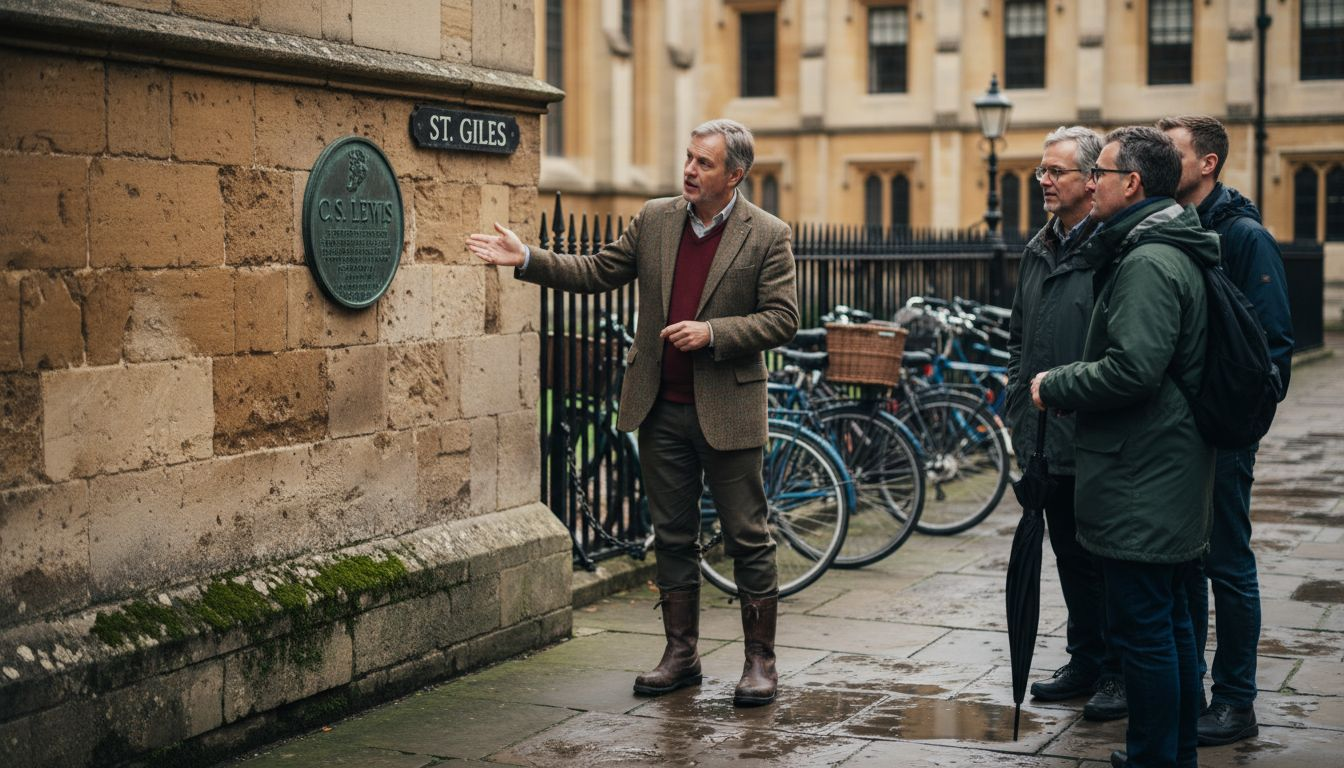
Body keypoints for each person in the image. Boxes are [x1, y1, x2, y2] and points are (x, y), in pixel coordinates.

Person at [467, 118, 798, 707]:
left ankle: (760, 662)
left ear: (735, 175)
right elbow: (598, 271)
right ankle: (681, 655)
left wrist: (713, 333)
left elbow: (782, 318)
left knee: (748, 538)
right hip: (660, 407)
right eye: (689, 157)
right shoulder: (656, 218)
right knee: (672, 536)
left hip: (728, 411)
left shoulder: (768, 234)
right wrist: (527, 258)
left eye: (704, 163)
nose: (689, 170)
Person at [1030, 126, 1217, 768]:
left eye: (1100, 174)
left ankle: (1155, 758)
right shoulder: (1164, 245)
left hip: (1143, 472)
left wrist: (1057, 384)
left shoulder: (1148, 261)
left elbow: (1134, 369)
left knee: (1147, 630)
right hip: (1162, 466)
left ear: (1131, 183)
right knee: (1170, 623)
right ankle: (1174, 752)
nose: (1092, 184)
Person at [1158, 115, 1294, 746]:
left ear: (1207, 163)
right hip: (1177, 432)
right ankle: (1188, 689)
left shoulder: (1244, 236)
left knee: (1229, 565)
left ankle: (1236, 701)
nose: (1161, 161)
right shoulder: (1174, 224)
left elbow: (1271, 349)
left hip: (1222, 431)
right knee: (1184, 562)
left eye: (1173, 152)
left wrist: (1231, 424)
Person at [1007, 126, 1126, 722]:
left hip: (1097, 437)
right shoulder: (1039, 247)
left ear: (1092, 179)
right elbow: (1018, 338)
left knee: (1107, 561)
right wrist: (1016, 402)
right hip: (1044, 438)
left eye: (1057, 172)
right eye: (1042, 171)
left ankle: (1118, 672)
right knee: (1070, 558)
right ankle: (1086, 659)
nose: (1045, 181)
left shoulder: (1112, 248)